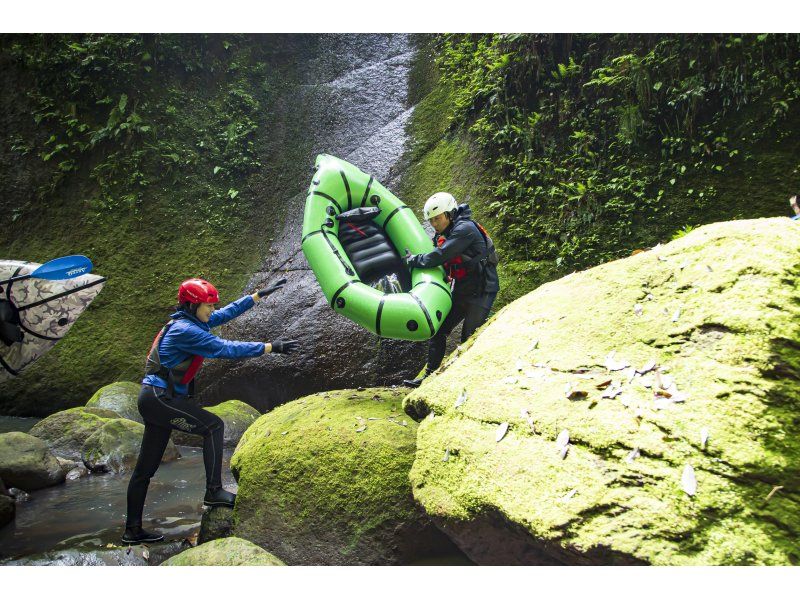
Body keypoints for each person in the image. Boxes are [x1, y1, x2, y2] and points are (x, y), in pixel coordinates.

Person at [123, 277, 298, 544]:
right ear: (193, 305)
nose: (212, 311)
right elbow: (223, 348)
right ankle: (214, 491)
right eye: (208, 306)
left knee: (145, 471)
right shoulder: (186, 330)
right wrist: (269, 347)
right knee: (214, 426)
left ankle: (132, 531)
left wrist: (255, 297)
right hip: (160, 398)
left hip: (156, 398)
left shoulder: (190, 321)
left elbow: (224, 314)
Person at [402, 192, 499, 388]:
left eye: (437, 218)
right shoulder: (444, 233)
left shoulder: (465, 229)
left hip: (483, 290)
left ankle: (468, 384)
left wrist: (415, 261)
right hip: (463, 290)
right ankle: (428, 378)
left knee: (468, 337)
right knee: (439, 331)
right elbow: (447, 260)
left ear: (449, 214)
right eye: (431, 221)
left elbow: (442, 254)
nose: (434, 224)